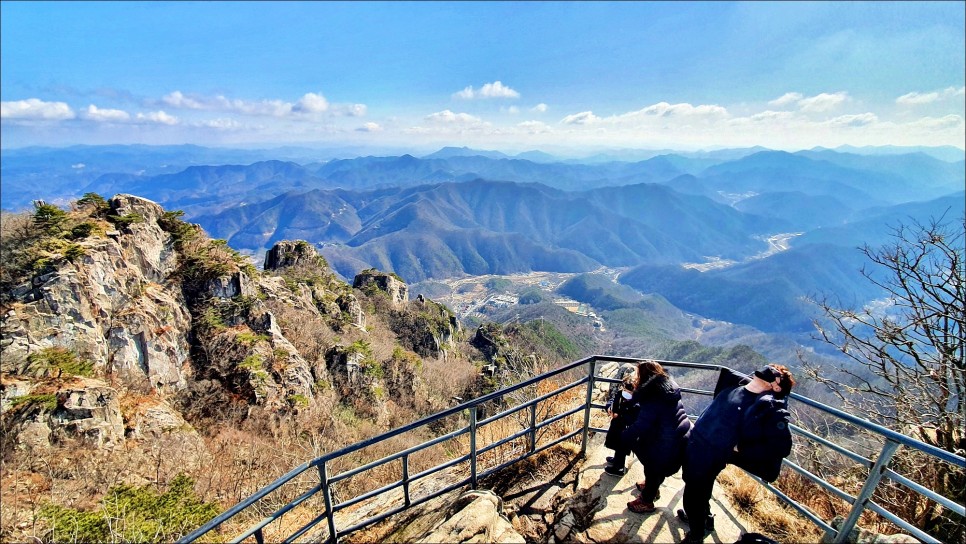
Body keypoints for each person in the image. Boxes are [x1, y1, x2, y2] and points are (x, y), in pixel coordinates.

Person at [678, 363, 795, 543]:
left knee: (693, 494)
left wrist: (741, 449)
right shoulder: (738, 386)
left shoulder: (765, 408)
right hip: (698, 443)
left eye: (777, 372)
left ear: (776, 387)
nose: (771, 368)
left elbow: (782, 448)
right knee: (702, 488)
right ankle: (704, 519)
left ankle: (695, 535)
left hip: (711, 454)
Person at [619, 360, 692, 514]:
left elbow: (642, 424)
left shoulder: (653, 397)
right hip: (681, 435)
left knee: (653, 463)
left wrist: (624, 436)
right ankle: (652, 487)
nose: (636, 377)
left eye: (638, 375)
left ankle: (647, 500)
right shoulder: (668, 385)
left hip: (668, 441)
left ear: (645, 377)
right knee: (655, 463)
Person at [603, 374, 639, 476]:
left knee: (621, 447)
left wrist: (620, 415)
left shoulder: (636, 403)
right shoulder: (621, 394)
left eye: (628, 391)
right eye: (624, 389)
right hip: (617, 426)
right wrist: (609, 408)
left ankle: (618, 469)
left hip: (626, 428)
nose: (625, 392)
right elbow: (612, 400)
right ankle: (616, 460)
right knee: (617, 445)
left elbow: (633, 417)